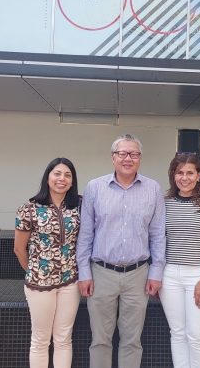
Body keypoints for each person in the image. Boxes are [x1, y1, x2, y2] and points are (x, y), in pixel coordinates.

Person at [76, 134, 166, 368]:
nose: (128, 158)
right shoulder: (95, 188)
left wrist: (156, 272)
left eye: (134, 154)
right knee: (100, 340)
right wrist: (84, 272)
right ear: (113, 157)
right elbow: (85, 234)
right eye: (122, 153)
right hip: (101, 273)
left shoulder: (153, 189)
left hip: (139, 275)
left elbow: (158, 235)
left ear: (140, 158)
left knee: (132, 341)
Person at [14, 157, 81, 368]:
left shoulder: (80, 206)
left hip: (70, 282)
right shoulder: (29, 209)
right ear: (48, 177)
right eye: (57, 173)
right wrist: (34, 271)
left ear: (72, 181)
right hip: (39, 284)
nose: (62, 179)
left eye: (68, 175)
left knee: (64, 338)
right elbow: (19, 249)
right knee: (41, 340)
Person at [159, 152, 200, 368]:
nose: (184, 178)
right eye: (180, 173)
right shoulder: (165, 202)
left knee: (197, 335)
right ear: (173, 175)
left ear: (199, 176)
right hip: (170, 275)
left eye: (190, 173)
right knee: (177, 333)